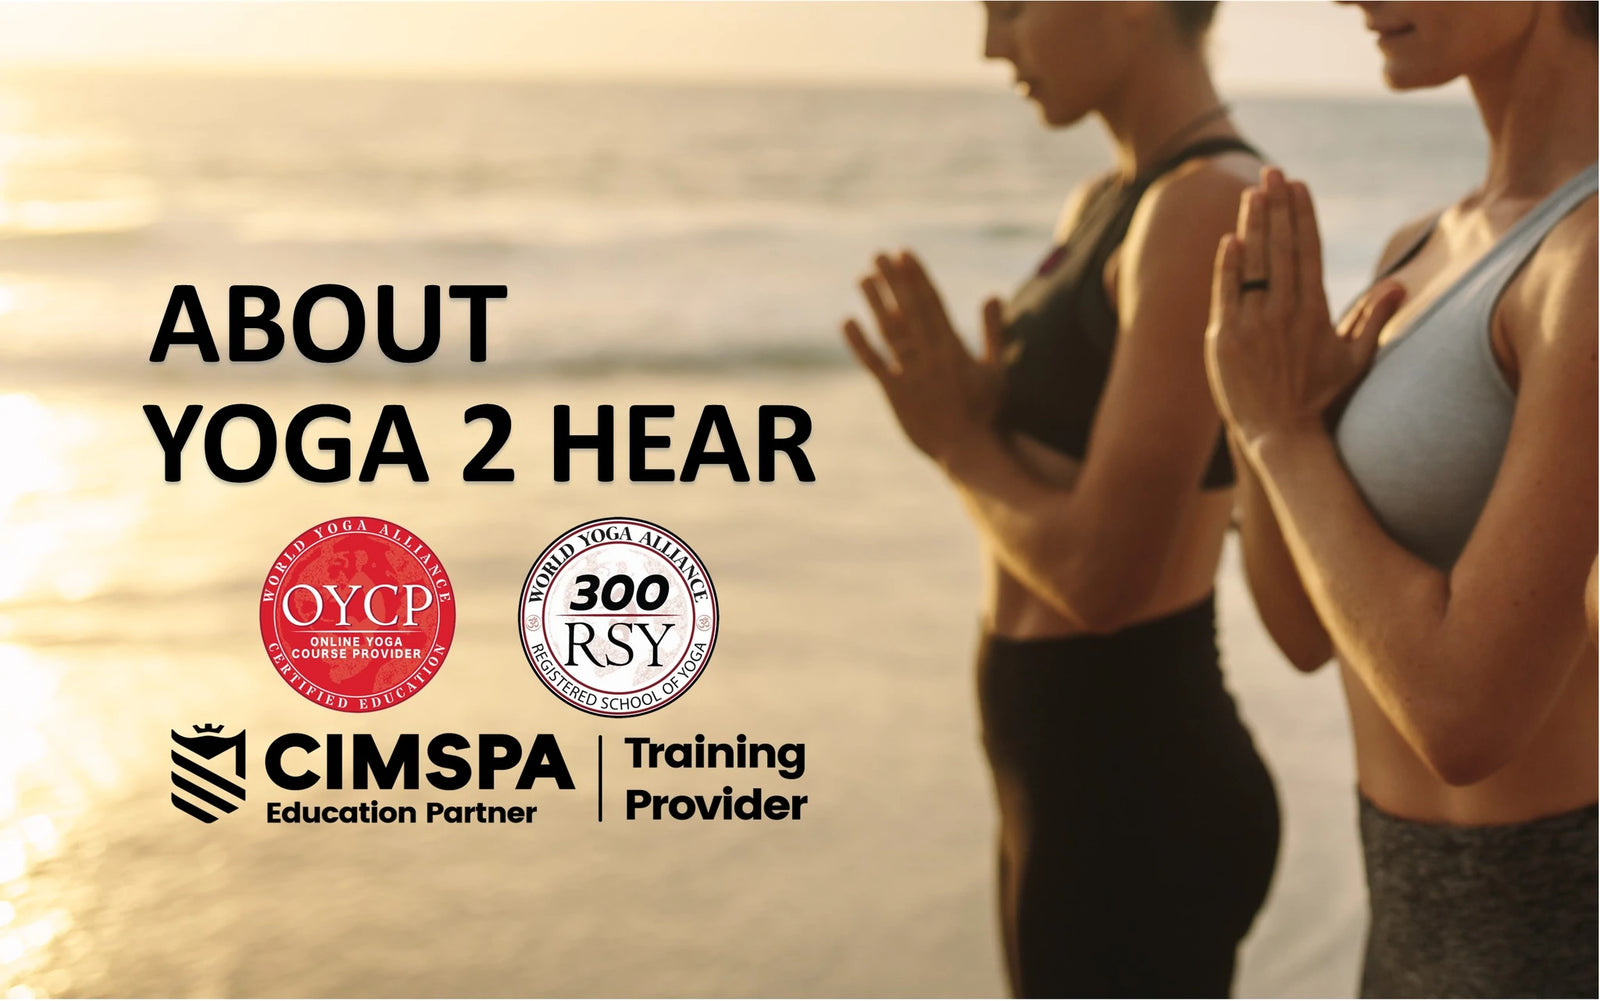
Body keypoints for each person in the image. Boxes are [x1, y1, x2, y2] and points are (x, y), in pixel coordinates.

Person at [841, 3, 1278, 995]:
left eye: (1012, 8)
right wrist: (992, 415)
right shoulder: (1107, 203)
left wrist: (956, 442)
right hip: (1067, 774)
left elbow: (1100, 577)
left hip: (1133, 788)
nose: (995, 46)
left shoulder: (1205, 205)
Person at [1203, 2, 1597, 995]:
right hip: (1404, 919)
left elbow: (1465, 718)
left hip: (1557, 931)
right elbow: (1302, 631)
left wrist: (1278, 434)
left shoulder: (1587, 259)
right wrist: (1260, 407)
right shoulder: (1416, 248)